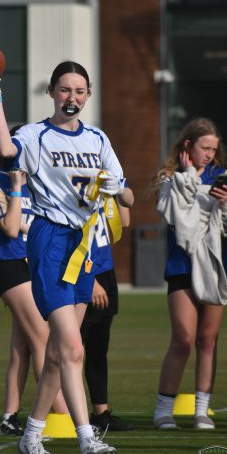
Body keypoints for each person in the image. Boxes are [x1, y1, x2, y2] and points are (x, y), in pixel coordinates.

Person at [0, 60, 126, 454]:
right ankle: (87, 439)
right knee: (73, 347)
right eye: (65, 89)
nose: (72, 97)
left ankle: (31, 437)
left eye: (79, 91)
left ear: (88, 95)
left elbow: (127, 198)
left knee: (58, 352)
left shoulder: (97, 138)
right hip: (50, 241)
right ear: (52, 92)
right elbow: (6, 151)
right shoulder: (35, 135)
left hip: (83, 246)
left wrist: (115, 189)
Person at [150, 118, 227, 431]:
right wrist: (188, 176)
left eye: (214, 149)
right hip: (181, 267)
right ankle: (163, 411)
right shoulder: (170, 177)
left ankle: (202, 411)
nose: (210, 154)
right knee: (183, 340)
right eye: (205, 148)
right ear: (188, 145)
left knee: (208, 340)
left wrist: (226, 204)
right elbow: (175, 218)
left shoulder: (220, 177)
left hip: (215, 267)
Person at [0, 156, 68, 436]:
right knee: (42, 338)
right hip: (11, 265)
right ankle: (62, 413)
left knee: (22, 346)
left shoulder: (40, 183)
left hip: (36, 264)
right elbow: (10, 227)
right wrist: (16, 188)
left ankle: (9, 417)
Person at [81, 186, 135, 434]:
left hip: (105, 269)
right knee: (70, 349)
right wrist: (89, 280)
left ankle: (100, 413)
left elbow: (124, 222)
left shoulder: (107, 182)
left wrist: (117, 188)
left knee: (98, 347)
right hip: (82, 271)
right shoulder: (76, 180)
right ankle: (64, 412)